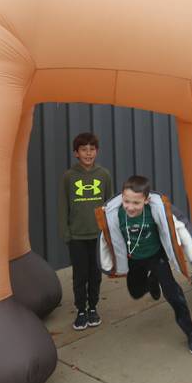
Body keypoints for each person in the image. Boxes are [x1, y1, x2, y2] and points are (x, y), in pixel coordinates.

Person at [97, 175, 192, 354]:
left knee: (174, 295)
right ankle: (151, 282)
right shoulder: (115, 214)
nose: (130, 207)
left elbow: (179, 226)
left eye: (136, 203)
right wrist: (107, 264)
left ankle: (191, 333)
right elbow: (105, 240)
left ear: (146, 200)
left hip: (156, 257)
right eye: (126, 201)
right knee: (136, 292)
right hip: (134, 259)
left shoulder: (156, 211)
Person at [59, 132, 114, 331]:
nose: (88, 153)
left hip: (98, 236)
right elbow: (63, 207)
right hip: (77, 236)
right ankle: (81, 310)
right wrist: (66, 233)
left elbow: (109, 206)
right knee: (80, 274)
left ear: (96, 152)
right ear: (76, 153)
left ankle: (93, 308)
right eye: (84, 150)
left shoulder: (104, 175)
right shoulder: (69, 177)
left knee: (95, 274)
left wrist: (108, 233)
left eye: (92, 149)